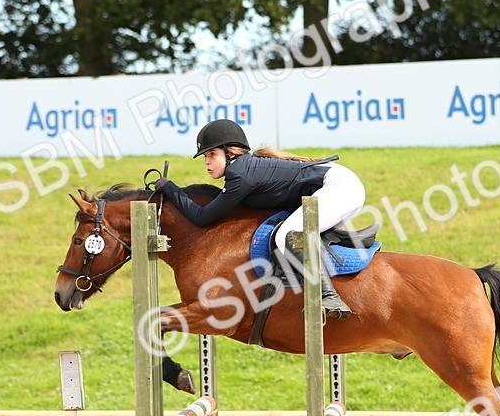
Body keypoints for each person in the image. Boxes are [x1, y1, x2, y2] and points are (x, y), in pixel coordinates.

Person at [155, 119, 366, 319]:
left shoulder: (240, 174)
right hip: (340, 184)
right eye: (205, 157)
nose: (207, 162)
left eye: (211, 154)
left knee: (288, 236)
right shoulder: (242, 169)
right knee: (296, 233)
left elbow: (202, 217)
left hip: (339, 187)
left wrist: (170, 188)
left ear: (230, 153)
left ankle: (330, 297)